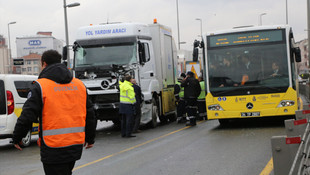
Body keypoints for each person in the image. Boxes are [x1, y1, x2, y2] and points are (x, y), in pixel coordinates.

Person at [12, 50, 96, 175]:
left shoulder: (41, 86)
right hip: (75, 144)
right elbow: (90, 114)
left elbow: (28, 115)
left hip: (52, 146)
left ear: (44, 64)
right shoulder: (79, 85)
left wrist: (17, 137)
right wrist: (90, 138)